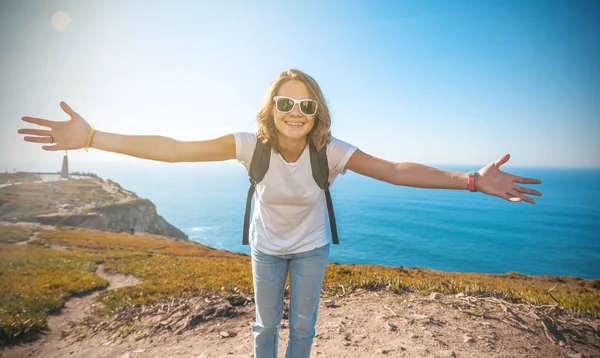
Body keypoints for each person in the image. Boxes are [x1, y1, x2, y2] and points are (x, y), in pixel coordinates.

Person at [18, 69, 542, 358]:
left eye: (306, 105)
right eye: (285, 103)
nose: (296, 112)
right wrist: (90, 137)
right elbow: (175, 148)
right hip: (267, 248)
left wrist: (472, 181)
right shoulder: (251, 145)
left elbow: (397, 170)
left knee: (305, 331)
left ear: (318, 113)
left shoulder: (331, 151)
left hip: (311, 248)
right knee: (265, 329)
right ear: (270, 109)